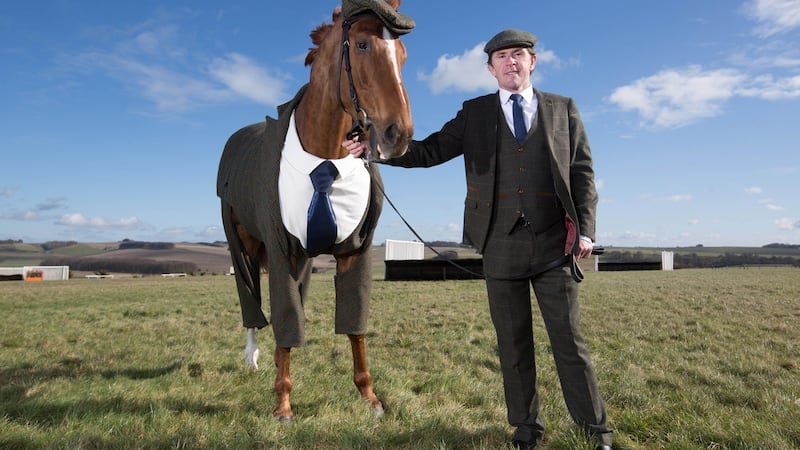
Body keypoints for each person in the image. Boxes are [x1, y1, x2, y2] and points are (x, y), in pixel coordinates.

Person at [344, 29, 612, 449]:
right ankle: (527, 430)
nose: (511, 62)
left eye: (519, 55)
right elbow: (430, 150)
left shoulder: (563, 109)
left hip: (554, 245)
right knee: (513, 346)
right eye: (502, 56)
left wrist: (587, 230)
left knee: (570, 344)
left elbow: (582, 173)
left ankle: (597, 432)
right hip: (499, 244)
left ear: (533, 61)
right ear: (490, 68)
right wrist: (375, 149)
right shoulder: (475, 112)